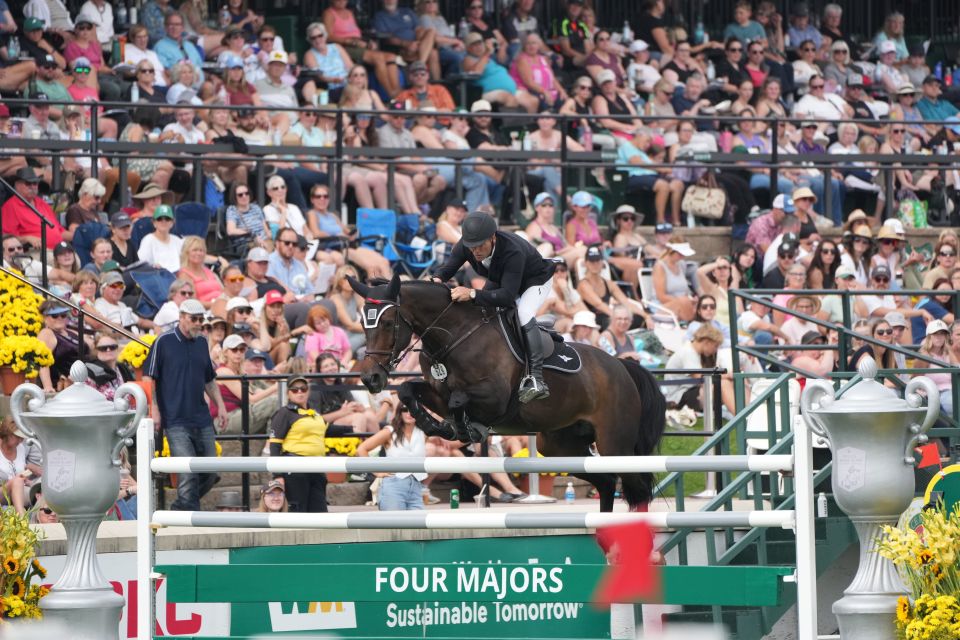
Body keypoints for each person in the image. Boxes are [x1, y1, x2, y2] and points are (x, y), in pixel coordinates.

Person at [432, 212, 556, 403]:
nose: (476, 251)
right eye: (472, 247)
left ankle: (536, 378)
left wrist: (472, 293)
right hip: (504, 279)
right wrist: (435, 281)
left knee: (523, 313)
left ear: (493, 237)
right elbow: (447, 270)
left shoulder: (512, 250)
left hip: (535, 280)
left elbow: (507, 297)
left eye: (481, 245)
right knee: (481, 311)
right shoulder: (467, 245)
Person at [145, 299, 227, 511]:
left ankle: (180, 509)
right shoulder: (163, 342)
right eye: (194, 319)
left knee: (211, 472)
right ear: (181, 317)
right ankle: (188, 517)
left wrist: (221, 405)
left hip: (201, 417)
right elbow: (150, 378)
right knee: (187, 474)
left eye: (201, 319)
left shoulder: (201, 343)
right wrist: (154, 410)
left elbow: (209, 379)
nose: (198, 323)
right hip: (174, 418)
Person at [269, 374, 351, 512]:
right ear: (288, 393)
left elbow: (325, 429)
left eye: (303, 388)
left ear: (308, 390)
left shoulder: (313, 413)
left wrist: (352, 429)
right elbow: (275, 445)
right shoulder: (285, 413)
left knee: (320, 511)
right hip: (295, 468)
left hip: (317, 467)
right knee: (298, 511)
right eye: (295, 389)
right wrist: (277, 475)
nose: (300, 392)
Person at [356, 404, 428, 511]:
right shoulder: (390, 431)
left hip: (416, 487)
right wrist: (376, 471)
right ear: (399, 412)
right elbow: (362, 449)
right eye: (405, 409)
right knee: (395, 526)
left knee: (417, 526)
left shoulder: (424, 432)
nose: (409, 413)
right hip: (393, 484)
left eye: (413, 409)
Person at [216, 333, 278, 433]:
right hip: (225, 420)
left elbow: (255, 392)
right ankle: (269, 447)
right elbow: (251, 400)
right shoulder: (224, 371)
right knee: (275, 401)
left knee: (281, 412)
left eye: (242, 350)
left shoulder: (240, 372)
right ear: (226, 352)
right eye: (234, 350)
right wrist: (274, 388)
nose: (238, 353)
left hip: (238, 415)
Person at [1, 167, 67, 247]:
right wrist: (27, 238)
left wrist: (77, 234)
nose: (32, 186)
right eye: (28, 183)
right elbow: (6, 238)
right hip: (35, 251)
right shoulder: (10, 206)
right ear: (17, 185)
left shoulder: (42, 203)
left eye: (35, 183)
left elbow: (60, 231)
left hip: (60, 250)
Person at [664, 324, 723, 411]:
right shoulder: (688, 352)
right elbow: (701, 378)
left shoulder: (693, 351)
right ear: (707, 342)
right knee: (722, 386)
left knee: (722, 385)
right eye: (715, 346)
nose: (715, 350)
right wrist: (726, 376)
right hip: (678, 398)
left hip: (685, 393)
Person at [37, 298, 87, 393]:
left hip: (83, 378)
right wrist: (48, 386)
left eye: (63, 315)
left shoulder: (71, 332)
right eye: (55, 316)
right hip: (65, 385)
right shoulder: (46, 333)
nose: (60, 318)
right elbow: (43, 362)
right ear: (45, 318)